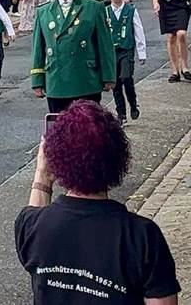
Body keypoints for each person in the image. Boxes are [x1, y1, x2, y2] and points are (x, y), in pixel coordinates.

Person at [15, 101, 181, 305]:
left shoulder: (32, 226)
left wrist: (42, 174)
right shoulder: (142, 236)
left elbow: (34, 215)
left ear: (56, 158)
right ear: (118, 158)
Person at [30, 0, 115, 113]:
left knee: (89, 129)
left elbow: (105, 44)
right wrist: (37, 81)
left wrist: (108, 76)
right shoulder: (43, 12)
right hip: (57, 81)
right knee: (60, 129)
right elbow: (38, 49)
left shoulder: (93, 7)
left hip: (86, 80)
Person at [105, 0, 146, 125]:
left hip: (126, 49)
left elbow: (138, 31)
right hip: (111, 53)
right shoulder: (106, 12)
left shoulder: (131, 10)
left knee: (126, 77)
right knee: (115, 84)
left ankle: (133, 104)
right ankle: (121, 113)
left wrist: (142, 53)